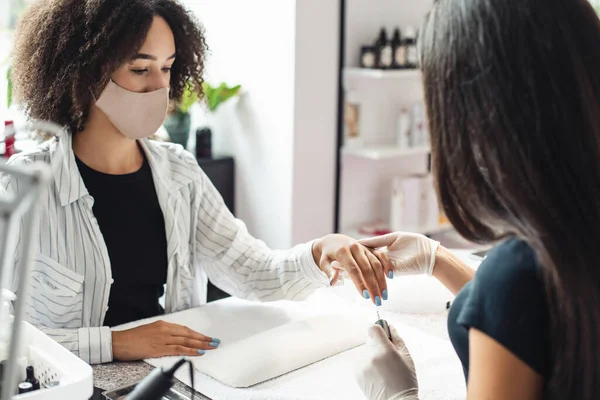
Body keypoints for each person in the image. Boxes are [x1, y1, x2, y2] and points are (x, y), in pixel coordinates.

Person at [3, 0, 394, 365]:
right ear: (84, 74)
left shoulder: (180, 174)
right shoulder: (20, 188)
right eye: (140, 69)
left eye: (168, 67)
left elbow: (251, 269)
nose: (159, 85)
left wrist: (321, 251)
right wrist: (115, 343)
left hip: (175, 377)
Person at [355, 0, 600, 399]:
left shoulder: (517, 274)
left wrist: (397, 396)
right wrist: (438, 259)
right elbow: (547, 314)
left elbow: (522, 294)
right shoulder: (570, 232)